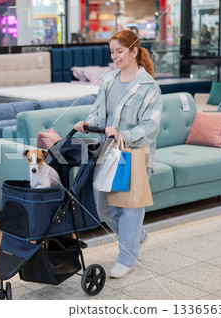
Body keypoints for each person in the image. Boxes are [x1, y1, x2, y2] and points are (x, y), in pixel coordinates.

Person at [74, 29, 162, 278]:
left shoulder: (148, 87)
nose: (114, 56)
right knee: (105, 209)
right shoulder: (109, 80)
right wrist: (88, 123)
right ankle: (138, 237)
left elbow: (151, 127)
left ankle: (127, 258)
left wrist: (123, 133)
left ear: (134, 51)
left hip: (135, 155)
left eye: (119, 51)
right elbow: (98, 111)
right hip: (108, 153)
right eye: (112, 51)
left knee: (132, 208)